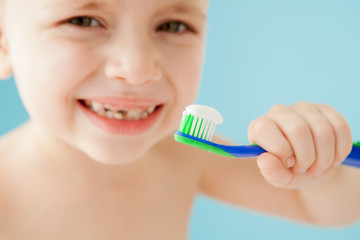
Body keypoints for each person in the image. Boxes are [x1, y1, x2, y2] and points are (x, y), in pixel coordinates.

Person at [0, 0, 359, 239]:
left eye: (173, 25)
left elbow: (332, 212)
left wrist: (320, 171)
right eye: (83, 21)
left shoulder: (183, 156)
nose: (138, 69)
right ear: (4, 43)